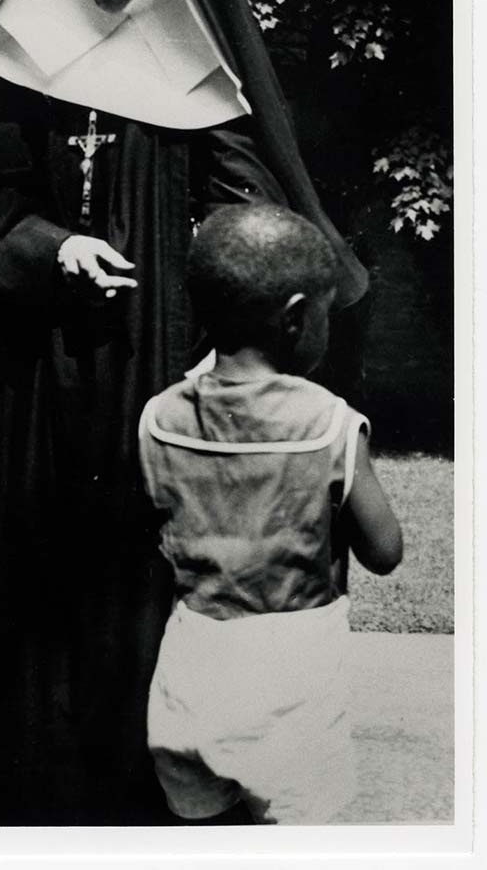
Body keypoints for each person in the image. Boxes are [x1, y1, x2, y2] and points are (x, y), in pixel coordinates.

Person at [0, 0, 370, 825]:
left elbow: (253, 211)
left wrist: (194, 256)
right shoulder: (18, 58)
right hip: (39, 375)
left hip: (160, 359)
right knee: (31, 589)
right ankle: (26, 794)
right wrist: (51, 247)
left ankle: (142, 798)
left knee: (140, 581)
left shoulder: (199, 63)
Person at [140, 204, 403, 825]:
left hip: (191, 673)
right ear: (293, 319)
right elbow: (385, 551)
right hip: (295, 682)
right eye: (324, 315)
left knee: (203, 833)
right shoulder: (328, 422)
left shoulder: (160, 417)